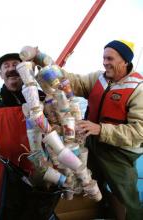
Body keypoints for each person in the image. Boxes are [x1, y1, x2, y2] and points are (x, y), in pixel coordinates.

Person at [45, 40, 143, 220]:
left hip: (119, 153)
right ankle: (100, 208)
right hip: (91, 144)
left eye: (110, 58)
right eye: (103, 58)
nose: (105, 62)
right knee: (82, 183)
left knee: (127, 199)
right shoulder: (98, 78)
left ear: (125, 61)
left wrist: (101, 129)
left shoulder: (139, 89)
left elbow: (139, 132)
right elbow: (72, 82)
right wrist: (47, 64)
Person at [0, 53, 60, 220]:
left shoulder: (40, 96)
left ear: (24, 71)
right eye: (6, 66)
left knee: (36, 210)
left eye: (15, 64)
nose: (11, 69)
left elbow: (57, 126)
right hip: (4, 167)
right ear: (1, 74)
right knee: (4, 211)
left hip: (38, 167)